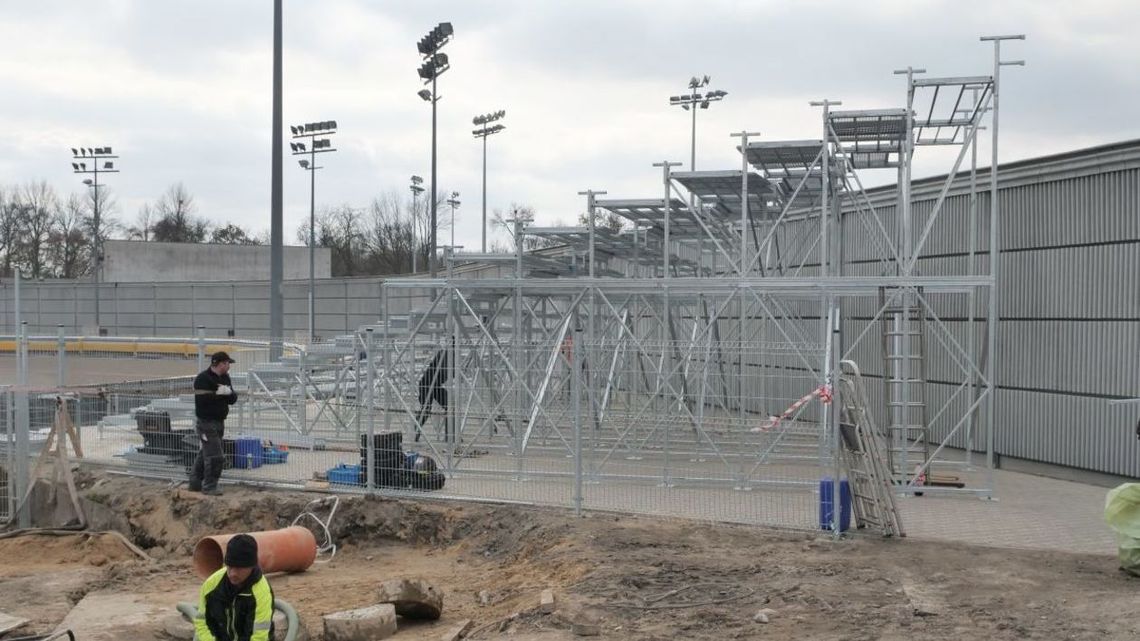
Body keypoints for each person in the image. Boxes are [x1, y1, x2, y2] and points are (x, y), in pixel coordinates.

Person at [193, 534, 275, 641]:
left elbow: (259, 637)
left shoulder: (262, 593)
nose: (232, 574)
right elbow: (202, 622)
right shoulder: (211, 585)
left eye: (238, 569)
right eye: (230, 567)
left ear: (251, 566)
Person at [188, 351, 238, 495]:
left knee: (206, 453)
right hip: (206, 423)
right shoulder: (203, 379)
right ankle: (210, 486)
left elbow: (233, 399)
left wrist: (228, 393)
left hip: (219, 421)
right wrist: (219, 394)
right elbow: (203, 400)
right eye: (227, 363)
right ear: (220, 364)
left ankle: (195, 483)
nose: (228, 366)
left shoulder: (225, 378)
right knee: (215, 456)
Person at [415, 348, 449, 442]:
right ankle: (416, 430)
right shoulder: (444, 354)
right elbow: (446, 372)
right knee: (426, 408)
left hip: (436, 385)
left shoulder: (449, 354)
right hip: (426, 384)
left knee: (450, 406)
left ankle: (450, 435)